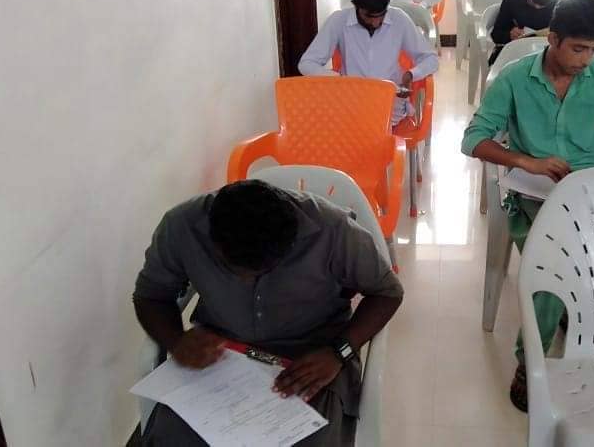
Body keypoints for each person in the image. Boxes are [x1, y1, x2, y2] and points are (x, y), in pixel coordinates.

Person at [461, 0, 594, 413]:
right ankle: (529, 362)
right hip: (531, 194)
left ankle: (592, 327)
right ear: (553, 38)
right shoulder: (515, 78)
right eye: (578, 48)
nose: (587, 59)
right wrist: (526, 161)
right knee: (554, 264)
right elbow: (473, 139)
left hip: (590, 192)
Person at [134, 180, 404, 447]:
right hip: (220, 355)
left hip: (311, 357)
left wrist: (339, 352)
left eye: (264, 270)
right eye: (235, 269)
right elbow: (151, 294)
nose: (249, 281)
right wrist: (175, 340)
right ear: (214, 241)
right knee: (171, 438)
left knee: (312, 439)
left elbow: (387, 292)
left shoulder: (334, 230)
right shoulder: (181, 226)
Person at [300, 0, 439, 127]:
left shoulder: (399, 19)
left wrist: (410, 74)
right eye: (369, 16)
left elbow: (431, 59)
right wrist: (338, 79)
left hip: (389, 103)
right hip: (350, 103)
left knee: (376, 132)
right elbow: (307, 63)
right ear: (355, 5)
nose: (376, 22)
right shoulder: (339, 21)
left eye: (381, 15)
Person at [488, 0, 562, 66]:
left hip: (546, 56)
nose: (537, 7)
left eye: (543, 5)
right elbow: (496, 34)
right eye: (533, 2)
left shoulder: (561, 4)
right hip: (514, 53)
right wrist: (509, 35)